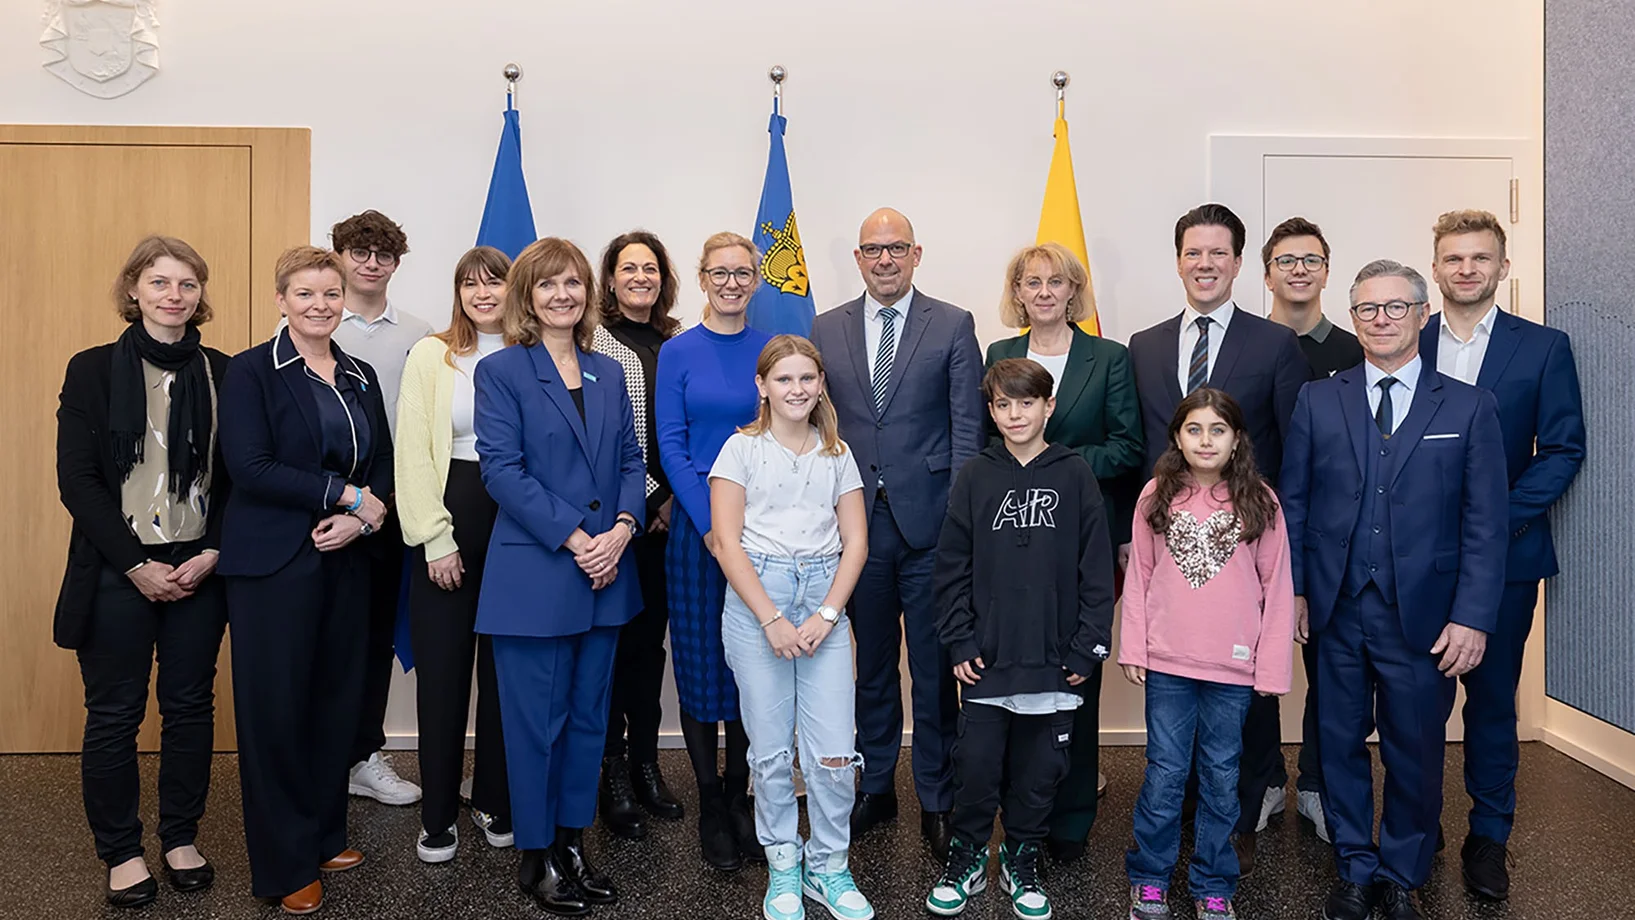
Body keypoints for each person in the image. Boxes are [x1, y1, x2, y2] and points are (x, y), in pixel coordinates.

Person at [1281, 259, 1507, 920]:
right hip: (1336, 609)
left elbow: (1485, 524)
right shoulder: (1316, 400)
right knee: (1338, 743)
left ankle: (1400, 872)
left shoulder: (1467, 407)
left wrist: (1471, 617)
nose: (1380, 320)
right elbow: (1292, 504)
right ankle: (1354, 864)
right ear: (1352, 319)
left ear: (1420, 314)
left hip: (1425, 617)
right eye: (1366, 309)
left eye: (1394, 307)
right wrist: (1295, 591)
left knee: (1414, 749)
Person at [1127, 202, 1309, 873]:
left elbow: (1293, 454)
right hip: (1165, 548)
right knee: (1167, 755)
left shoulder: (1272, 344)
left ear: (1238, 264)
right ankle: (1160, 849)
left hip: (1244, 551)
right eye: (1191, 253)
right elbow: (1142, 448)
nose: (1204, 264)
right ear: (1177, 260)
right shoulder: (1143, 345)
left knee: (1233, 729)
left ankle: (1235, 822)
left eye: (1217, 254)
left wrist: (1289, 575)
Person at [55, 236, 232, 908]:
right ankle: (122, 851)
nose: (173, 295)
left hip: (199, 571)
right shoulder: (92, 369)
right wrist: (134, 564)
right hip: (115, 571)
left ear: (199, 295)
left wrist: (214, 548)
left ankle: (180, 837)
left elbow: (239, 475)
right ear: (133, 290)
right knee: (115, 713)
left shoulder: (223, 371)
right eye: (159, 282)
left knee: (189, 709)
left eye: (187, 284)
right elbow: (78, 480)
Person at [217, 246, 393, 914]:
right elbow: (251, 466)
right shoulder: (251, 372)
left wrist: (363, 518)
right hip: (273, 566)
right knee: (278, 714)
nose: (319, 305)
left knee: (334, 703)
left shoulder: (360, 372)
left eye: (330, 294)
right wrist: (347, 499)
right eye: (304, 293)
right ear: (280, 299)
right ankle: (284, 863)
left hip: (345, 559)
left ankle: (323, 834)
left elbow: (379, 460)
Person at [474, 237, 645, 916]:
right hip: (538, 577)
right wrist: (579, 538)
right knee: (534, 726)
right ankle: (536, 856)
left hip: (607, 574)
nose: (562, 295)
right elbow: (500, 471)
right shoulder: (503, 373)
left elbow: (636, 461)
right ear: (527, 296)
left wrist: (625, 530)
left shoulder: (608, 371)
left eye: (573, 283)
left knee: (586, 723)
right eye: (547, 285)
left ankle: (572, 844)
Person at [808, 207, 984, 860]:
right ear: (857, 258)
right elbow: (815, 420)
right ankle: (876, 785)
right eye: (872, 249)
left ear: (916, 254)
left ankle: (937, 797)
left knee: (936, 673)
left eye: (896, 248)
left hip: (933, 525)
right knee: (872, 668)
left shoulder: (954, 324)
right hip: (855, 529)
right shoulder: (826, 327)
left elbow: (968, 427)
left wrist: (962, 524)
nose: (884, 259)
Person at [1419, 210, 1585, 900]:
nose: (1465, 269)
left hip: (1508, 560)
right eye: (1453, 258)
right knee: (1416, 705)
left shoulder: (1542, 348)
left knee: (1490, 705)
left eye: (1478, 258)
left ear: (1501, 268)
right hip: (1418, 562)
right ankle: (1415, 830)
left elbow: (1562, 452)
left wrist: (1490, 521)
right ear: (1434, 268)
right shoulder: (1403, 337)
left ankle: (1488, 838)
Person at [926, 358, 1114, 920]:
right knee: (978, 768)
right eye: (1003, 405)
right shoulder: (975, 476)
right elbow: (950, 568)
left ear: (1048, 407)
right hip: (988, 661)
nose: (1015, 414)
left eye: (1026, 403)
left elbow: (1096, 571)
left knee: (1039, 775)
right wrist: (959, 641)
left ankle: (1021, 854)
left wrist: (1088, 645)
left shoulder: (1075, 473)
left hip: (1055, 662)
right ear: (991, 411)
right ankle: (967, 859)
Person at [982, 243, 1143, 861]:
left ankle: (1070, 819)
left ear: (1074, 291)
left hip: (1081, 536)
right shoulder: (1000, 354)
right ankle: (1018, 815)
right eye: (1032, 282)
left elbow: (1128, 446)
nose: (1044, 291)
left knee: (1077, 680)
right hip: (1009, 541)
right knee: (1013, 680)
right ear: (1017, 291)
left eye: (1057, 282)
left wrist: (1057, 469)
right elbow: (987, 445)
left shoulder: (1109, 357)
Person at [710, 334, 874, 920]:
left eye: (807, 378)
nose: (797, 389)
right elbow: (727, 542)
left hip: (824, 595)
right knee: (772, 754)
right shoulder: (740, 451)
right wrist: (772, 619)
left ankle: (830, 867)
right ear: (762, 387)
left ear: (821, 384)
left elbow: (856, 540)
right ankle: (784, 865)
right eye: (784, 379)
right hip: (760, 598)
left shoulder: (838, 454)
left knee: (833, 752)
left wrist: (829, 614)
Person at [1120, 388, 1294, 920]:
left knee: (1222, 775)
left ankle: (1213, 882)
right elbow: (1140, 576)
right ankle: (1150, 877)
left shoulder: (1260, 501)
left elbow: (1277, 586)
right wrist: (1135, 646)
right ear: (1177, 436)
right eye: (1194, 429)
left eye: (1218, 430)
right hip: (1169, 662)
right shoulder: (1155, 496)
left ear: (1237, 439)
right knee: (1166, 773)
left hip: (1233, 667)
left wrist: (1271, 667)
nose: (1206, 440)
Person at [655, 231, 774, 869]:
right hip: (700, 535)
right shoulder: (677, 352)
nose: (732, 283)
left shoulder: (772, 349)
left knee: (751, 670)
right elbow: (671, 445)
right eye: (719, 272)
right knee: (702, 670)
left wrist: (748, 528)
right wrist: (710, 526)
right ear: (702, 278)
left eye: (743, 273)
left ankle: (740, 797)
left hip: (764, 534)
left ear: (756, 280)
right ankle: (709, 804)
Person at [395, 246, 515, 863]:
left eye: (494, 283)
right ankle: (438, 814)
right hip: (450, 511)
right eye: (470, 284)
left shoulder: (532, 350)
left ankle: (495, 799)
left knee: (504, 672)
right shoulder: (430, 354)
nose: (482, 294)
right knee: (443, 675)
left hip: (516, 522)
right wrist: (435, 538)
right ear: (458, 293)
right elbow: (412, 452)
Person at [1260, 216, 1363, 845]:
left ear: (1327, 271)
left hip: (1336, 536)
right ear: (1266, 271)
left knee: (1333, 668)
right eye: (1287, 260)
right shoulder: (1242, 342)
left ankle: (1318, 786)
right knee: (1256, 662)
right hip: (1256, 529)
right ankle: (1266, 779)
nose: (1299, 270)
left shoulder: (1356, 349)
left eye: (1312, 260)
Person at [328, 210, 431, 808]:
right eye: (359, 252)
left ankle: (364, 755)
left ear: (395, 263)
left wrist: (383, 501)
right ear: (339, 255)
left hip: (393, 499)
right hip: (323, 501)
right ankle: (324, 754)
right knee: (325, 637)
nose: (370, 263)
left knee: (373, 638)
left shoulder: (419, 333)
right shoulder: (312, 321)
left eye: (382, 255)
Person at [593, 230, 686, 839]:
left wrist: (674, 499)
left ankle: (647, 764)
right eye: (629, 269)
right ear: (611, 278)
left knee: (651, 650)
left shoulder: (680, 341)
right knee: (613, 649)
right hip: (614, 522)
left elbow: (687, 428)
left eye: (650, 269)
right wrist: (648, 499)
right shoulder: (590, 342)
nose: (640, 278)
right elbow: (606, 439)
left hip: (673, 520)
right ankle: (611, 774)